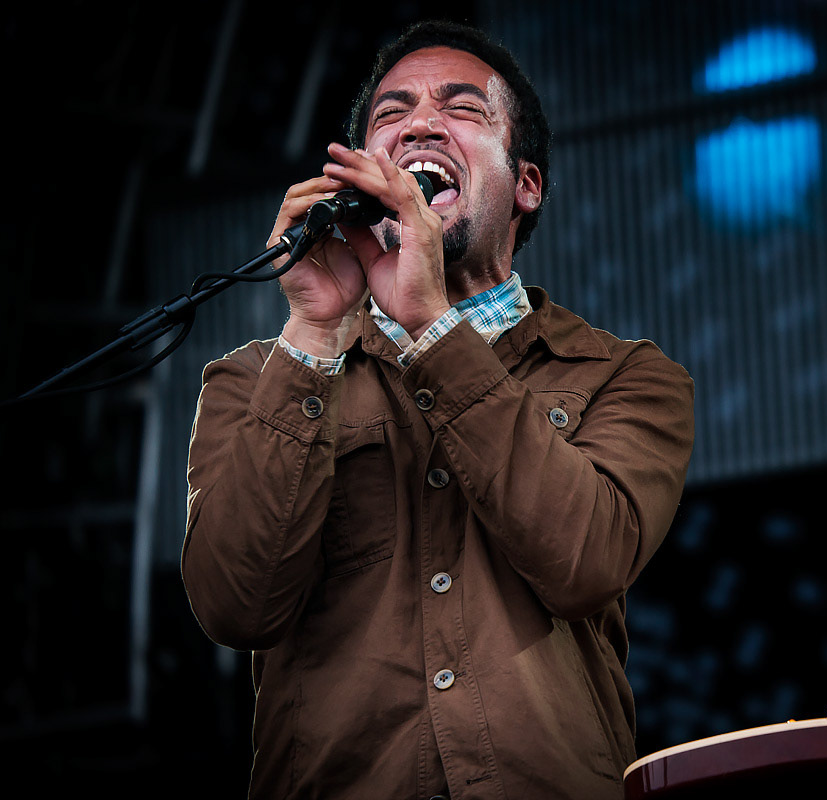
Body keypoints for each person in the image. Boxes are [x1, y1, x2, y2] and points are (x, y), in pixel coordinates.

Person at [181, 19, 694, 800]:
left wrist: (430, 323)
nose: (419, 124)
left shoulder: (627, 376)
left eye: (461, 108)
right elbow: (234, 607)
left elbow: (584, 564)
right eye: (391, 114)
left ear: (526, 185)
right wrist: (315, 330)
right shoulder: (254, 381)